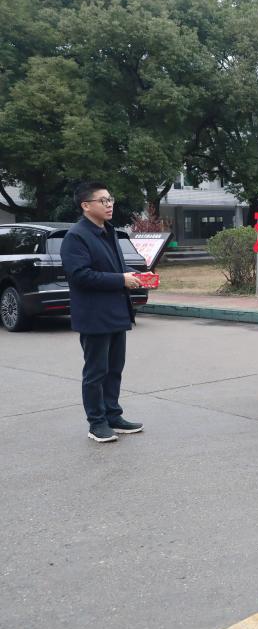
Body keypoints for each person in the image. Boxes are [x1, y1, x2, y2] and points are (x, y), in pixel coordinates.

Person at [60, 182, 145, 443]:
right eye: (103, 201)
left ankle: (113, 416)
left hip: (117, 311)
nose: (109, 205)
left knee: (114, 369)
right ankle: (96, 423)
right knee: (96, 372)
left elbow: (113, 267)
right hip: (94, 315)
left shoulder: (109, 231)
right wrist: (120, 280)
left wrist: (136, 275)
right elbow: (80, 275)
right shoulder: (76, 236)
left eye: (110, 199)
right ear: (86, 206)